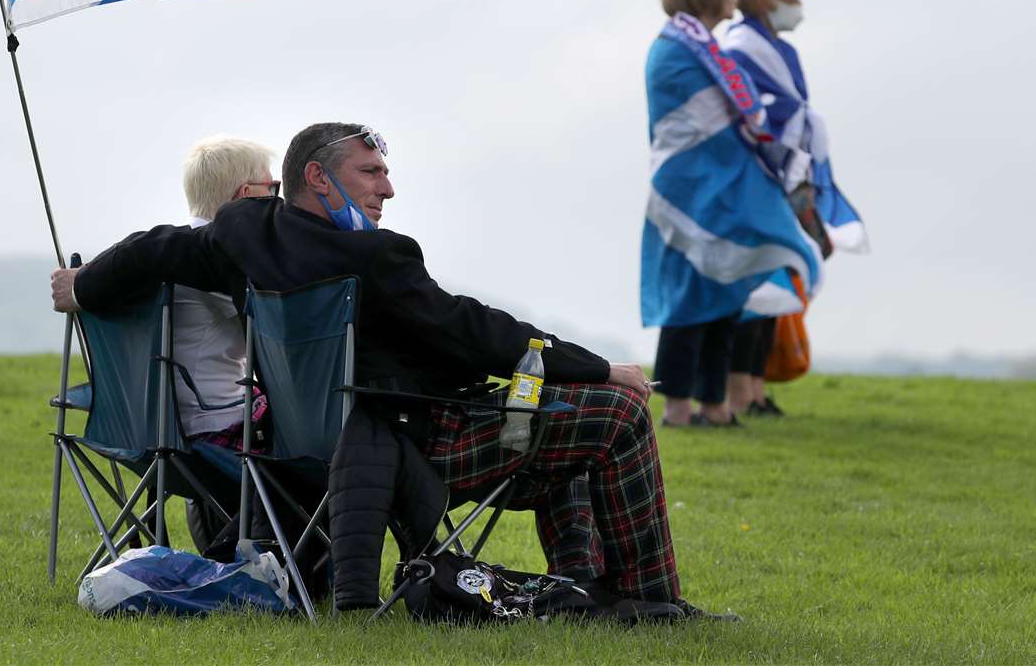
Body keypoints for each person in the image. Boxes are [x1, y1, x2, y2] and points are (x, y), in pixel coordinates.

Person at [53, 123, 723, 620]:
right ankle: (651, 598)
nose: (389, 187)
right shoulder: (378, 257)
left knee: (549, 397)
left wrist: (84, 287)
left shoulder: (244, 236)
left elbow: (153, 248)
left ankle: (583, 585)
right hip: (414, 446)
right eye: (372, 172)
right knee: (613, 408)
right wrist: (604, 365)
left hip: (301, 450)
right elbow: (474, 332)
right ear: (318, 177)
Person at [641, 0, 823, 429]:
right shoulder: (677, 48)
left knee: (725, 293)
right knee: (688, 300)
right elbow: (699, 125)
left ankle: (714, 405)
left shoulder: (701, 46)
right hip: (692, 190)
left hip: (720, 187)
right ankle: (678, 406)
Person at [722, 0, 869, 416]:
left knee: (778, 280)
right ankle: (739, 392)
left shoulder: (776, 49)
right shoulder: (743, 47)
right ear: (768, 0)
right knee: (756, 284)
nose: (798, 3)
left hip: (785, 175)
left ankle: (758, 387)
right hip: (758, 176)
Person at [173, 136, 279, 449]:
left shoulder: (171, 254)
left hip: (158, 425)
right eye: (271, 189)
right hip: (216, 424)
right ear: (246, 196)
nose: (277, 201)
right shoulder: (220, 261)